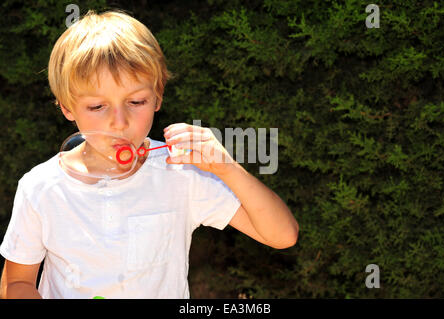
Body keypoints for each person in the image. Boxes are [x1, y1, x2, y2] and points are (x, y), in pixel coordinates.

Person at [0, 10, 299, 299]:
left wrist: (227, 168)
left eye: (136, 101)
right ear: (67, 107)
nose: (119, 121)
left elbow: (282, 235)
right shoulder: (41, 187)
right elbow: (16, 282)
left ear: (157, 96)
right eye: (97, 107)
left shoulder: (181, 172)